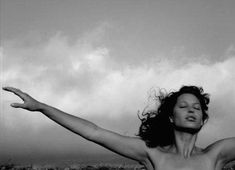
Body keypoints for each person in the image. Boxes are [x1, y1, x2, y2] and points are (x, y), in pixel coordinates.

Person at [2, 86, 235, 170]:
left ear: (203, 118)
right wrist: (41, 107)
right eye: (183, 106)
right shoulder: (153, 154)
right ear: (171, 118)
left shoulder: (215, 155)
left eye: (197, 107)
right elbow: (93, 132)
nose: (192, 110)